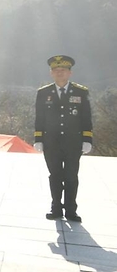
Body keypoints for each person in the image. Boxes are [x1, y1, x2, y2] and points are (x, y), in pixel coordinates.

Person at [34, 55, 92, 222]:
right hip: (51, 142)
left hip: (73, 142)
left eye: (63, 70)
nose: (59, 73)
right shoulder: (43, 93)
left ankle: (71, 210)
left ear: (70, 73)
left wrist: (87, 139)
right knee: (55, 175)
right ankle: (56, 208)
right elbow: (40, 118)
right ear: (51, 73)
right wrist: (38, 138)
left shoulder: (81, 92)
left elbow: (86, 117)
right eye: (56, 70)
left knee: (71, 176)